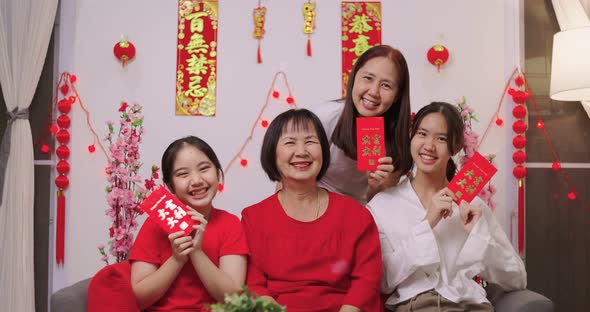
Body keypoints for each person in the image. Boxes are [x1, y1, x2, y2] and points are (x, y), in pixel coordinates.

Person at [367, 102, 527, 311]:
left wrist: (479, 236)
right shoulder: (383, 205)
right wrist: (428, 223)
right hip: (417, 306)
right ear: (411, 137)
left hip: (472, 305)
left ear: (456, 147)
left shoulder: (473, 207)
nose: (429, 146)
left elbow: (517, 279)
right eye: (422, 134)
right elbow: (383, 281)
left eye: (441, 138)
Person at [242, 109, 382, 312]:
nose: (301, 151)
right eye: (290, 142)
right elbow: (253, 284)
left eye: (310, 141)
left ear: (323, 151)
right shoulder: (253, 218)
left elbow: (366, 282)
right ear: (272, 152)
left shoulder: (355, 215)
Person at [129, 136, 248, 311]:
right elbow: (138, 299)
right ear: (170, 186)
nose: (197, 180)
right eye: (183, 174)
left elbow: (233, 298)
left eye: (204, 168)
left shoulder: (230, 224)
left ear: (217, 172)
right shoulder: (154, 225)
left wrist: (197, 252)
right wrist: (177, 259)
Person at [310, 44, 413, 205]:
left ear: (397, 95)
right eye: (368, 78)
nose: (373, 91)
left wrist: (376, 186)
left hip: (358, 213)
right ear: (354, 78)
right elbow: (289, 178)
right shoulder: (325, 117)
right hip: (314, 204)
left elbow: (380, 206)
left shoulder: (398, 139)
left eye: (386, 85)